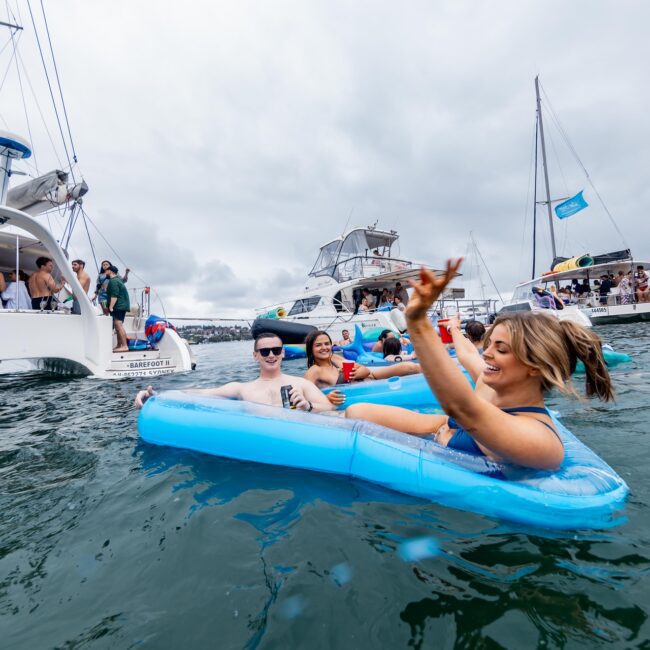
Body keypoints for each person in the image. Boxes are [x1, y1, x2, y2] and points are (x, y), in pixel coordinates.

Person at [345, 259, 613, 471]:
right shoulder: (491, 386)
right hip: (437, 430)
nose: (487, 354)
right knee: (356, 410)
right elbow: (468, 357)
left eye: (501, 348)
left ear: (534, 366)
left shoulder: (540, 441)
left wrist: (417, 322)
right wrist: (453, 328)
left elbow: (462, 408)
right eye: (490, 344)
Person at [135, 332, 335, 412]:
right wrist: (156, 395)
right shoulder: (242, 388)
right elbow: (201, 393)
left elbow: (329, 408)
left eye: (275, 350)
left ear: (283, 353)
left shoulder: (301, 384)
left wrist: (308, 406)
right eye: (265, 351)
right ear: (255, 355)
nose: (271, 355)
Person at [303, 330, 352, 406]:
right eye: (318, 345)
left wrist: (360, 372)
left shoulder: (335, 360)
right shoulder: (314, 371)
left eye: (327, 344)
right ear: (310, 349)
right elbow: (304, 399)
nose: (324, 347)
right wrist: (326, 398)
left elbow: (364, 370)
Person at [105, 265, 130, 352]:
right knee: (117, 325)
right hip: (122, 305)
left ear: (110, 271)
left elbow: (114, 295)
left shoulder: (113, 281)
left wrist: (111, 307)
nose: (105, 273)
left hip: (118, 306)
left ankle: (124, 345)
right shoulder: (118, 280)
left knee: (118, 325)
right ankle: (119, 345)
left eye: (106, 271)